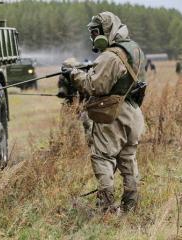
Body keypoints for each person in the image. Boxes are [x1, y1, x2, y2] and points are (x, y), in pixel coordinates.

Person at [61, 12, 146, 213]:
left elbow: (94, 86)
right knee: (128, 159)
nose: (93, 37)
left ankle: (106, 209)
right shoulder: (133, 48)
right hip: (133, 112)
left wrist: (73, 73)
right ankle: (131, 206)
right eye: (91, 32)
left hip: (113, 115)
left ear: (107, 31)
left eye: (96, 32)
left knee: (102, 158)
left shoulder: (110, 56)